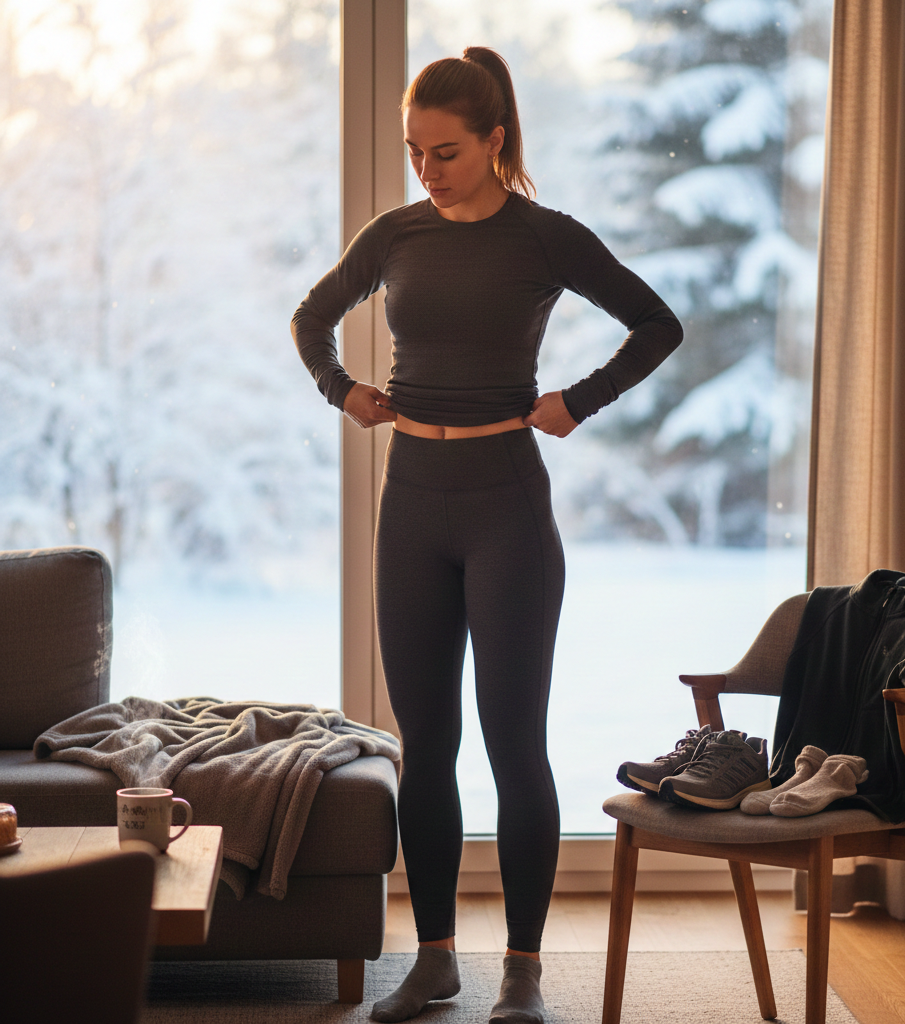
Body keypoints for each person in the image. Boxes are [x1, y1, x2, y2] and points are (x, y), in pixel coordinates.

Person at [292, 46, 682, 1024]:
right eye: (415, 151)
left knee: (515, 743)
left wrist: (578, 401)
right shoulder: (394, 235)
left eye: (448, 151)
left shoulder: (544, 238)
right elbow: (310, 318)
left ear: (496, 140)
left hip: (508, 503)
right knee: (427, 742)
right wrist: (344, 392)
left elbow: (655, 323)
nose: (428, 169)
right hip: (412, 501)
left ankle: (522, 971)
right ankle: (434, 959)